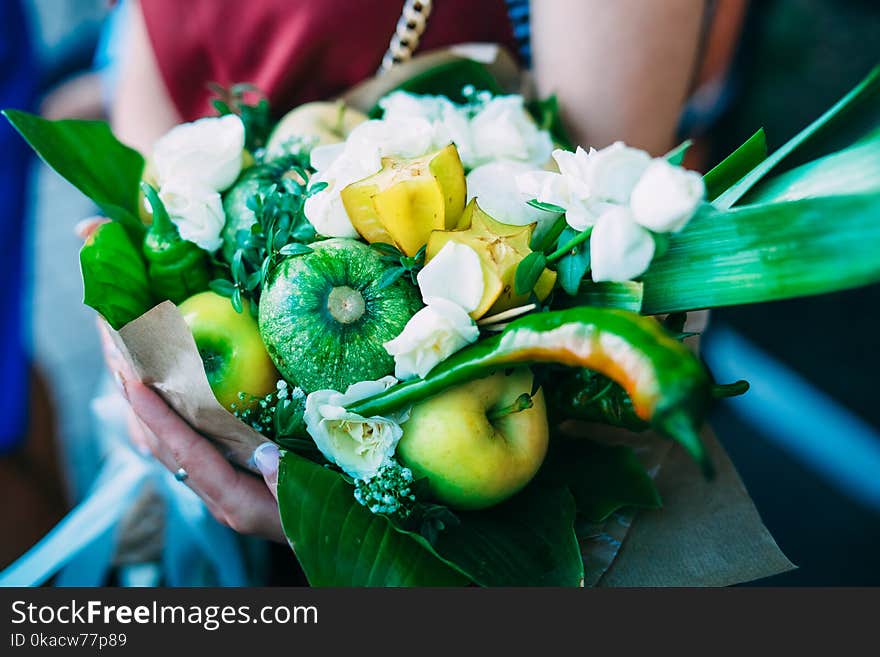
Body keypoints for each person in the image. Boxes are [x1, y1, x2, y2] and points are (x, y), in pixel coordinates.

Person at [107, 0, 744, 545]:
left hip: (437, 437)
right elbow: (156, 56)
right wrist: (147, 326)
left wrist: (341, 525)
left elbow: (596, 234)